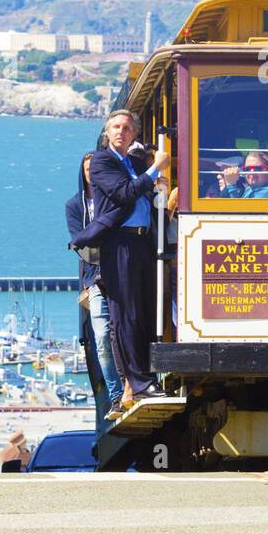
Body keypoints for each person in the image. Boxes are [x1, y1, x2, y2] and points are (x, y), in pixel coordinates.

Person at [85, 109, 172, 410]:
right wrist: (154, 171)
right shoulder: (102, 161)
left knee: (146, 309)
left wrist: (156, 186)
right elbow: (123, 194)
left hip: (142, 240)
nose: (121, 132)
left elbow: (144, 193)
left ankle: (149, 379)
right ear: (107, 132)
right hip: (119, 242)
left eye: (126, 128)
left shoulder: (133, 162)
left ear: (134, 134)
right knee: (127, 314)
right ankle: (138, 383)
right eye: (115, 127)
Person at [65, 150, 129, 437]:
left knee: (125, 331)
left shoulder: (115, 199)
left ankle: (130, 386)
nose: (93, 174)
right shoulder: (74, 205)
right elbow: (81, 241)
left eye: (97, 168)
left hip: (122, 272)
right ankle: (116, 393)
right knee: (102, 336)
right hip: (95, 278)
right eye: (88, 169)